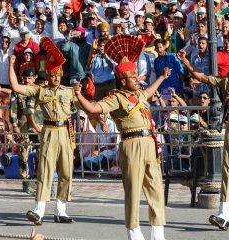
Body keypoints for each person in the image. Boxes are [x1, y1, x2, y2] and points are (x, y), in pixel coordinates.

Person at [73, 34, 170, 240]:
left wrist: (162, 77)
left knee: (156, 189)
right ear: (123, 80)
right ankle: (133, 232)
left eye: (136, 76)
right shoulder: (115, 98)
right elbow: (93, 107)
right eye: (133, 77)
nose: (137, 79)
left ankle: (157, 233)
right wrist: (79, 95)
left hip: (149, 143)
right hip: (130, 143)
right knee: (133, 191)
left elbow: (150, 91)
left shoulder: (140, 93)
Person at [9, 37, 76, 225]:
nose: (56, 78)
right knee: (44, 171)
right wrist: (11, 66)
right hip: (48, 130)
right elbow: (15, 87)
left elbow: (85, 105)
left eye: (58, 75)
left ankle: (61, 211)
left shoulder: (68, 91)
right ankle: (39, 211)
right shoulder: (39, 91)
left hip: (65, 131)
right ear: (47, 75)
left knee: (66, 172)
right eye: (52, 75)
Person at [177, 45, 229, 231]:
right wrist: (186, 62)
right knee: (228, 169)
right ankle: (224, 215)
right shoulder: (226, 83)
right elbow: (201, 77)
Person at [10, 64, 42, 194]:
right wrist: (15, 125)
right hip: (23, 126)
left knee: (41, 154)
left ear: (34, 78)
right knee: (23, 155)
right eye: (24, 78)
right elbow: (13, 109)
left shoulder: (39, 90)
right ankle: (26, 180)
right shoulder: (17, 91)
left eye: (29, 78)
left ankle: (39, 180)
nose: (26, 80)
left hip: (38, 127)